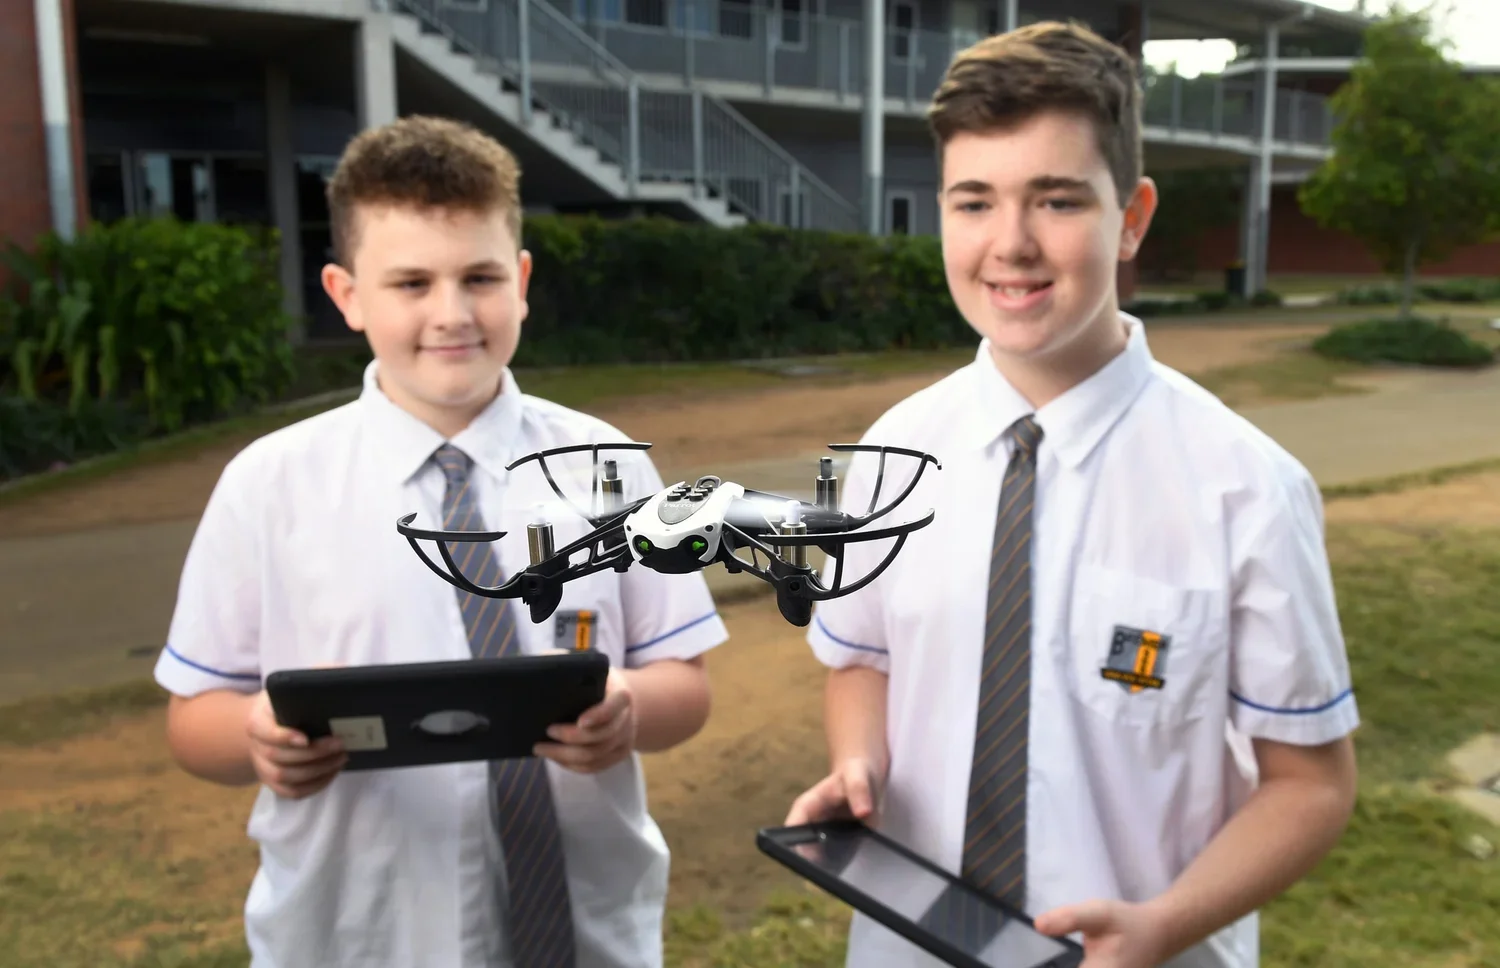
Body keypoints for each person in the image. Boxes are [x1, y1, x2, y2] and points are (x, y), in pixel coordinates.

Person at [784, 21, 1359, 968]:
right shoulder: (892, 454)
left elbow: (1311, 785)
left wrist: (1167, 925)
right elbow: (862, 660)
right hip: (908, 946)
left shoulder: (1246, 487)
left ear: (1130, 216)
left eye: (1056, 200)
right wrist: (860, 763)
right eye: (974, 202)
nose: (1010, 244)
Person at [155, 114, 729, 968]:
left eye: (481, 277)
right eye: (412, 283)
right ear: (347, 294)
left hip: (587, 930)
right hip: (359, 932)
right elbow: (192, 716)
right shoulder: (269, 487)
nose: (452, 314)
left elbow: (685, 678)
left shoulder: (609, 468)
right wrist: (253, 733)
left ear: (523, 280)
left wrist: (631, 711)